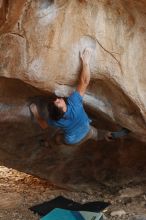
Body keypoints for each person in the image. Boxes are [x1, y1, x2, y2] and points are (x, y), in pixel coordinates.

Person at [30, 48, 112, 145]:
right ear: (62, 108)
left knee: (58, 139)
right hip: (87, 131)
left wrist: (35, 112)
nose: (57, 99)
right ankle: (107, 135)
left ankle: (48, 143)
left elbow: (44, 125)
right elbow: (84, 81)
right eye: (58, 102)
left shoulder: (54, 121)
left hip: (73, 141)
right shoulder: (74, 104)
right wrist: (85, 62)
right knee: (96, 133)